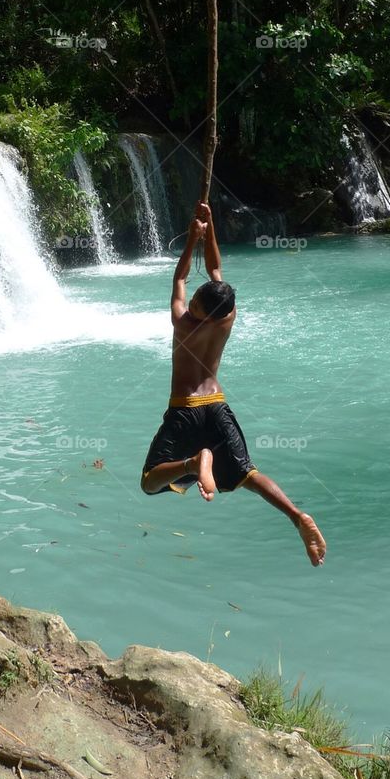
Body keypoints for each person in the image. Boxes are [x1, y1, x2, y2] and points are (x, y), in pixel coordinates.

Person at [140, 202, 326, 566]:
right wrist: (210, 231)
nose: (191, 297)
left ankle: (195, 462)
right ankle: (296, 515)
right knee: (247, 475)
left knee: (150, 481)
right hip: (217, 403)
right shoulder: (226, 317)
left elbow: (180, 280)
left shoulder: (183, 324)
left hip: (185, 409)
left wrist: (193, 239)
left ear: (197, 307)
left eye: (195, 300)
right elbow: (216, 272)